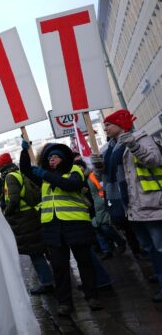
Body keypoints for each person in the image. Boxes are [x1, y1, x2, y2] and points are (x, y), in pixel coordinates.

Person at [20, 141, 103, 315]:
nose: (51, 160)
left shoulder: (74, 170)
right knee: (59, 267)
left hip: (76, 224)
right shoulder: (45, 175)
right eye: (49, 158)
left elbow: (70, 185)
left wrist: (45, 174)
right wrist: (24, 152)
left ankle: (92, 297)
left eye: (55, 157)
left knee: (85, 263)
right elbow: (26, 170)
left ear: (63, 158)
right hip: (53, 227)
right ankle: (65, 303)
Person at [92, 109, 162, 302]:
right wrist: (98, 168)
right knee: (148, 246)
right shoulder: (111, 148)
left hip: (150, 201)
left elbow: (155, 160)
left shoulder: (140, 138)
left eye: (108, 124)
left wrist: (133, 146)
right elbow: (107, 177)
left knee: (158, 246)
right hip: (132, 204)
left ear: (121, 125)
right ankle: (158, 274)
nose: (105, 128)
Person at [0, 152, 54, 295]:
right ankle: (51, 279)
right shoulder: (17, 173)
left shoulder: (9, 177)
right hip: (29, 216)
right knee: (39, 251)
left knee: (35, 253)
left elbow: (14, 200)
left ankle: (47, 283)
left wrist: (6, 212)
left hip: (23, 219)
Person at [74, 159, 126, 259]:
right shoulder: (77, 180)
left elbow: (100, 179)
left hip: (101, 205)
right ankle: (107, 250)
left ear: (83, 166)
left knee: (105, 227)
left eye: (80, 166)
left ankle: (120, 242)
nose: (79, 169)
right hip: (91, 208)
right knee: (97, 229)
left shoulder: (92, 175)